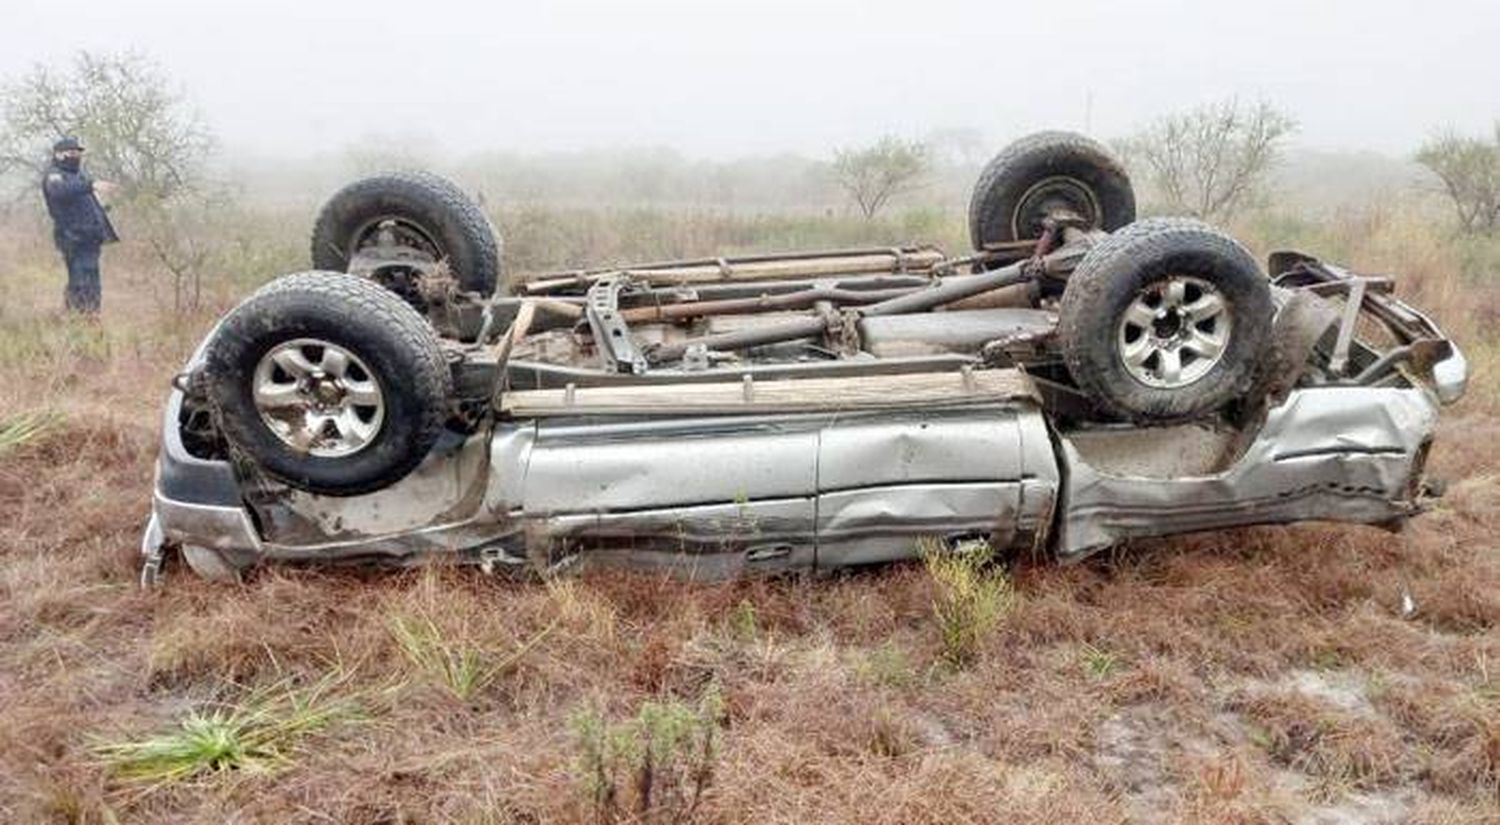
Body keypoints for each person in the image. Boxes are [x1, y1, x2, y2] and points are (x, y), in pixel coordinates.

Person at [41, 136, 119, 314]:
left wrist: (102, 209)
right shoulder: (54, 175)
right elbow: (61, 192)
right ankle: (78, 317)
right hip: (72, 236)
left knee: (92, 278)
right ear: (59, 155)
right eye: (72, 153)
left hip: (91, 236)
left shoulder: (79, 175)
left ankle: (91, 316)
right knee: (80, 278)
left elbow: (84, 201)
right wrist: (92, 185)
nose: (76, 156)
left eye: (78, 153)